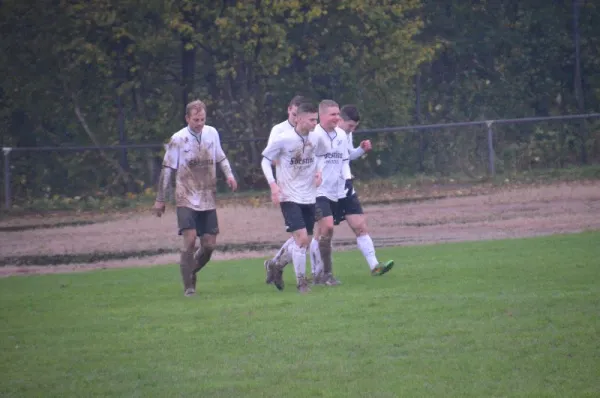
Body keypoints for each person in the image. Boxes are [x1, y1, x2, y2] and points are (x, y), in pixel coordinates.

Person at [153, 99, 238, 297]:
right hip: (186, 197)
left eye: (202, 119)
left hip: (208, 196)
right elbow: (167, 170)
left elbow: (220, 156)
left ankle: (188, 269)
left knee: (209, 246)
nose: (199, 123)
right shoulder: (178, 139)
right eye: (195, 120)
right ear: (187, 118)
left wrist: (230, 175)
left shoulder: (212, 133)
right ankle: (189, 286)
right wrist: (160, 199)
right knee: (190, 240)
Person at [310, 104, 394, 279]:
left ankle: (375, 266)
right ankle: (316, 272)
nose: (352, 130)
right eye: (351, 126)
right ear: (339, 119)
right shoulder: (317, 135)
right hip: (324, 189)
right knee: (322, 232)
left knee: (360, 226)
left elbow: (347, 156)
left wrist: (361, 150)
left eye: (354, 128)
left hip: (345, 186)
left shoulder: (344, 135)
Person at [261, 102, 326, 293]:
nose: (315, 123)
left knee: (303, 240)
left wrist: (319, 171)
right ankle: (301, 283)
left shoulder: (316, 137)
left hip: (309, 195)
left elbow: (322, 155)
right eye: (312, 119)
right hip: (288, 195)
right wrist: (273, 185)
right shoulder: (284, 138)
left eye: (316, 119)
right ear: (298, 118)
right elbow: (265, 161)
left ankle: (275, 265)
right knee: (302, 238)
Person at [309, 100, 352, 286]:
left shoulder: (342, 135)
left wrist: (347, 180)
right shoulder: (314, 135)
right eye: (333, 114)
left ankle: (278, 264)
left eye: (338, 114)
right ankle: (326, 274)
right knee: (327, 227)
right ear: (322, 116)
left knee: (319, 233)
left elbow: (343, 161)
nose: (337, 118)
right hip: (317, 191)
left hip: (334, 191)